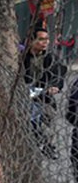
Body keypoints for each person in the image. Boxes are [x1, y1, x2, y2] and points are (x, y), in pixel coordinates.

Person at [23, 26, 65, 159]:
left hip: (44, 96)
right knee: (31, 122)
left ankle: (47, 145)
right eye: (41, 39)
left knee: (47, 122)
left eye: (47, 39)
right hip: (25, 96)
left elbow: (59, 73)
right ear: (31, 40)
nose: (45, 42)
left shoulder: (50, 57)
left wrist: (56, 86)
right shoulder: (22, 57)